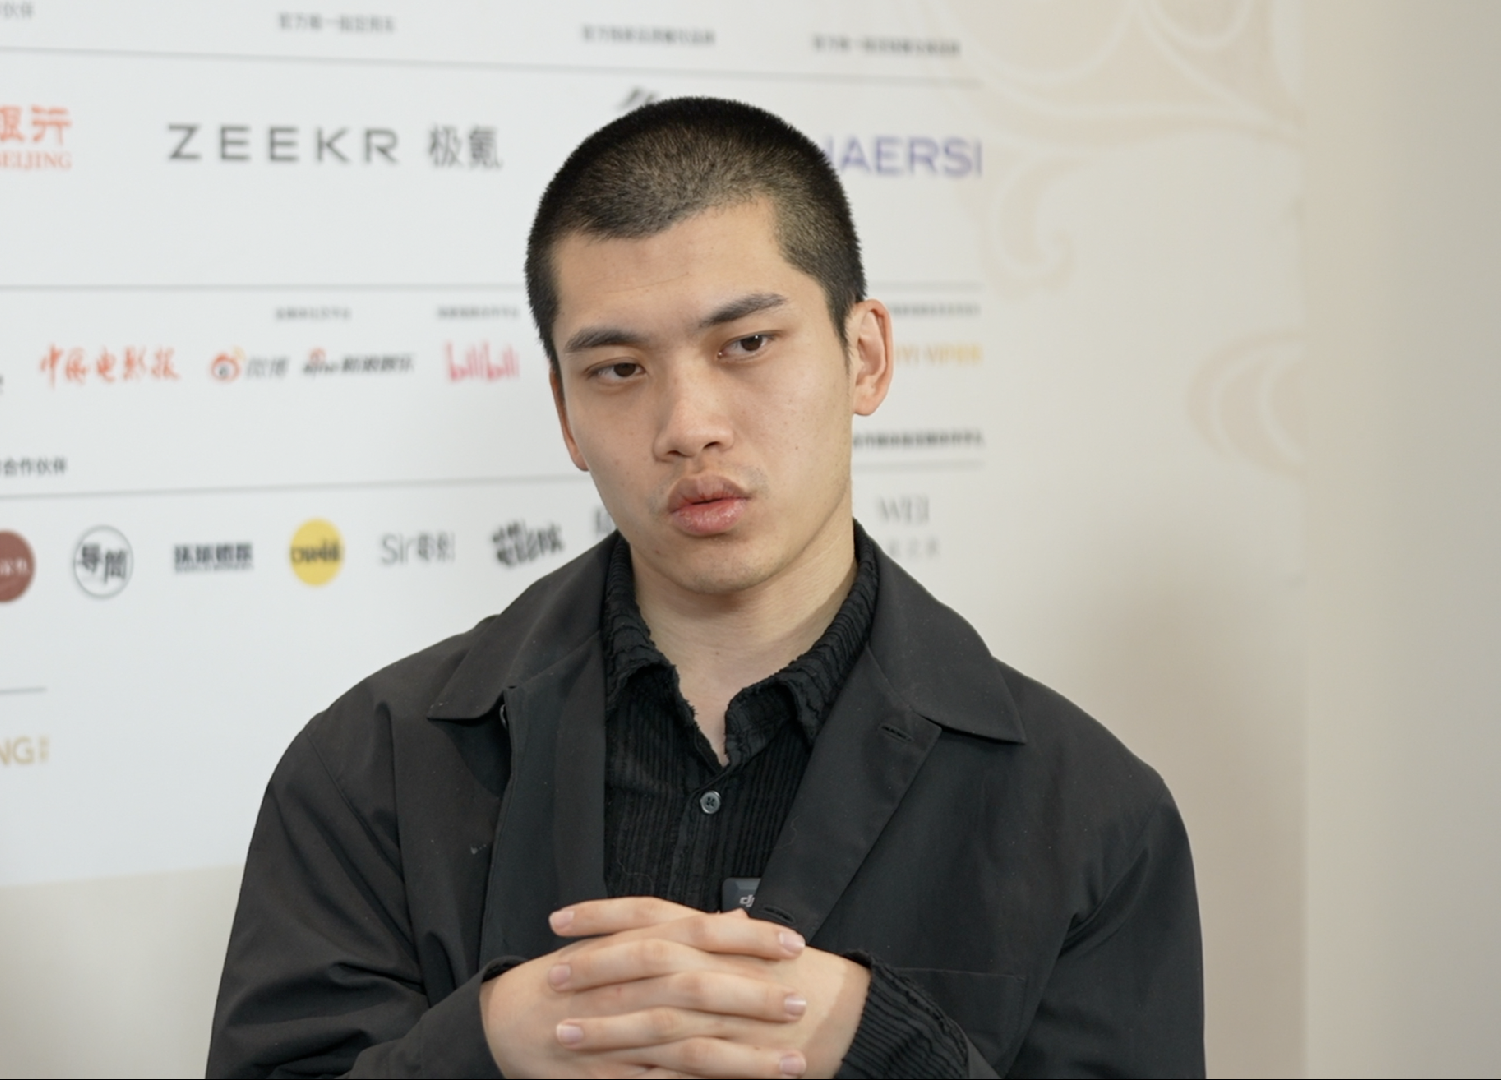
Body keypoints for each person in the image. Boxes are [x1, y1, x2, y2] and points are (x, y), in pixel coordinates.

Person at [206, 97, 1204, 1079]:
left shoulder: (1087, 810)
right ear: (564, 413)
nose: (688, 426)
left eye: (747, 344)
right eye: (618, 369)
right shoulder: (371, 768)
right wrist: (488, 1044)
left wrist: (885, 1044)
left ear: (865, 357)